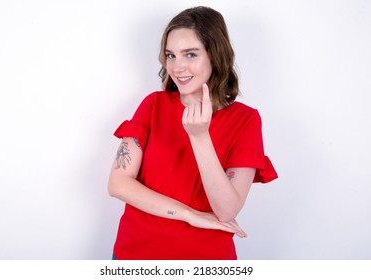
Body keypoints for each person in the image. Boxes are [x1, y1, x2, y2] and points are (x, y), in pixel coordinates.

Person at [108, 6, 278, 260]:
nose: (177, 67)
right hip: (134, 256)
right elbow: (118, 184)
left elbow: (226, 211)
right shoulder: (153, 105)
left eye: (190, 54)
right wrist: (190, 215)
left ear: (215, 55)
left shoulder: (245, 120)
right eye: (171, 55)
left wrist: (199, 137)